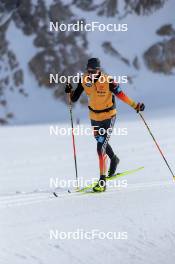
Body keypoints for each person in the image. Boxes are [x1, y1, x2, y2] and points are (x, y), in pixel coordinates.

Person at [65, 58, 145, 192]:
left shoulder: (108, 81)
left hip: (109, 116)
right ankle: (114, 159)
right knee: (101, 142)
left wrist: (135, 105)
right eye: (89, 71)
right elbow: (74, 98)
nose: (91, 74)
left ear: (99, 70)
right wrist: (69, 91)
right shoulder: (84, 79)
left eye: (94, 71)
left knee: (100, 147)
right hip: (94, 117)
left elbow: (122, 95)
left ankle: (102, 181)